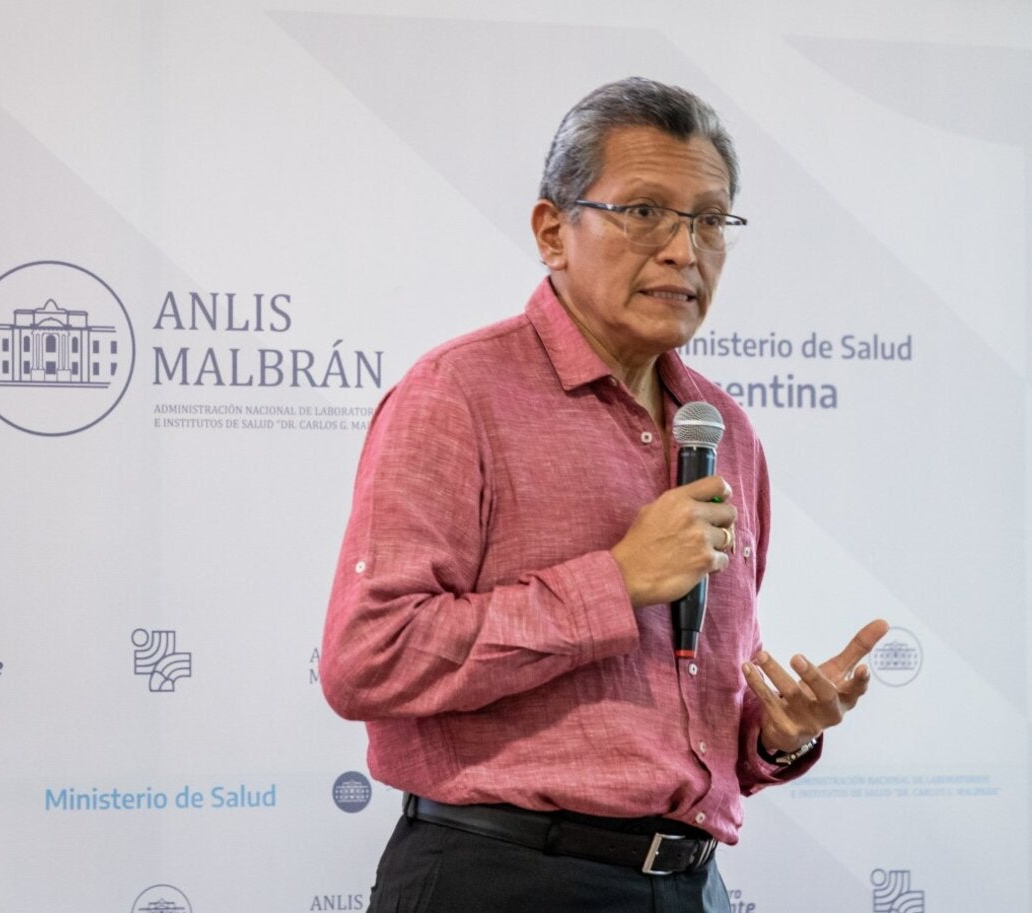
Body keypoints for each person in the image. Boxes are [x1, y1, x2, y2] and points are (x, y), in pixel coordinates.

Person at [320, 76, 889, 913]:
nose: (683, 249)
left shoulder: (724, 430)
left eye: (709, 220)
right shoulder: (458, 396)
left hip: (688, 883)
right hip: (502, 878)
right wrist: (614, 580)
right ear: (553, 230)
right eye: (646, 212)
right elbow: (367, 657)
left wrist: (776, 734)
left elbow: (694, 720)